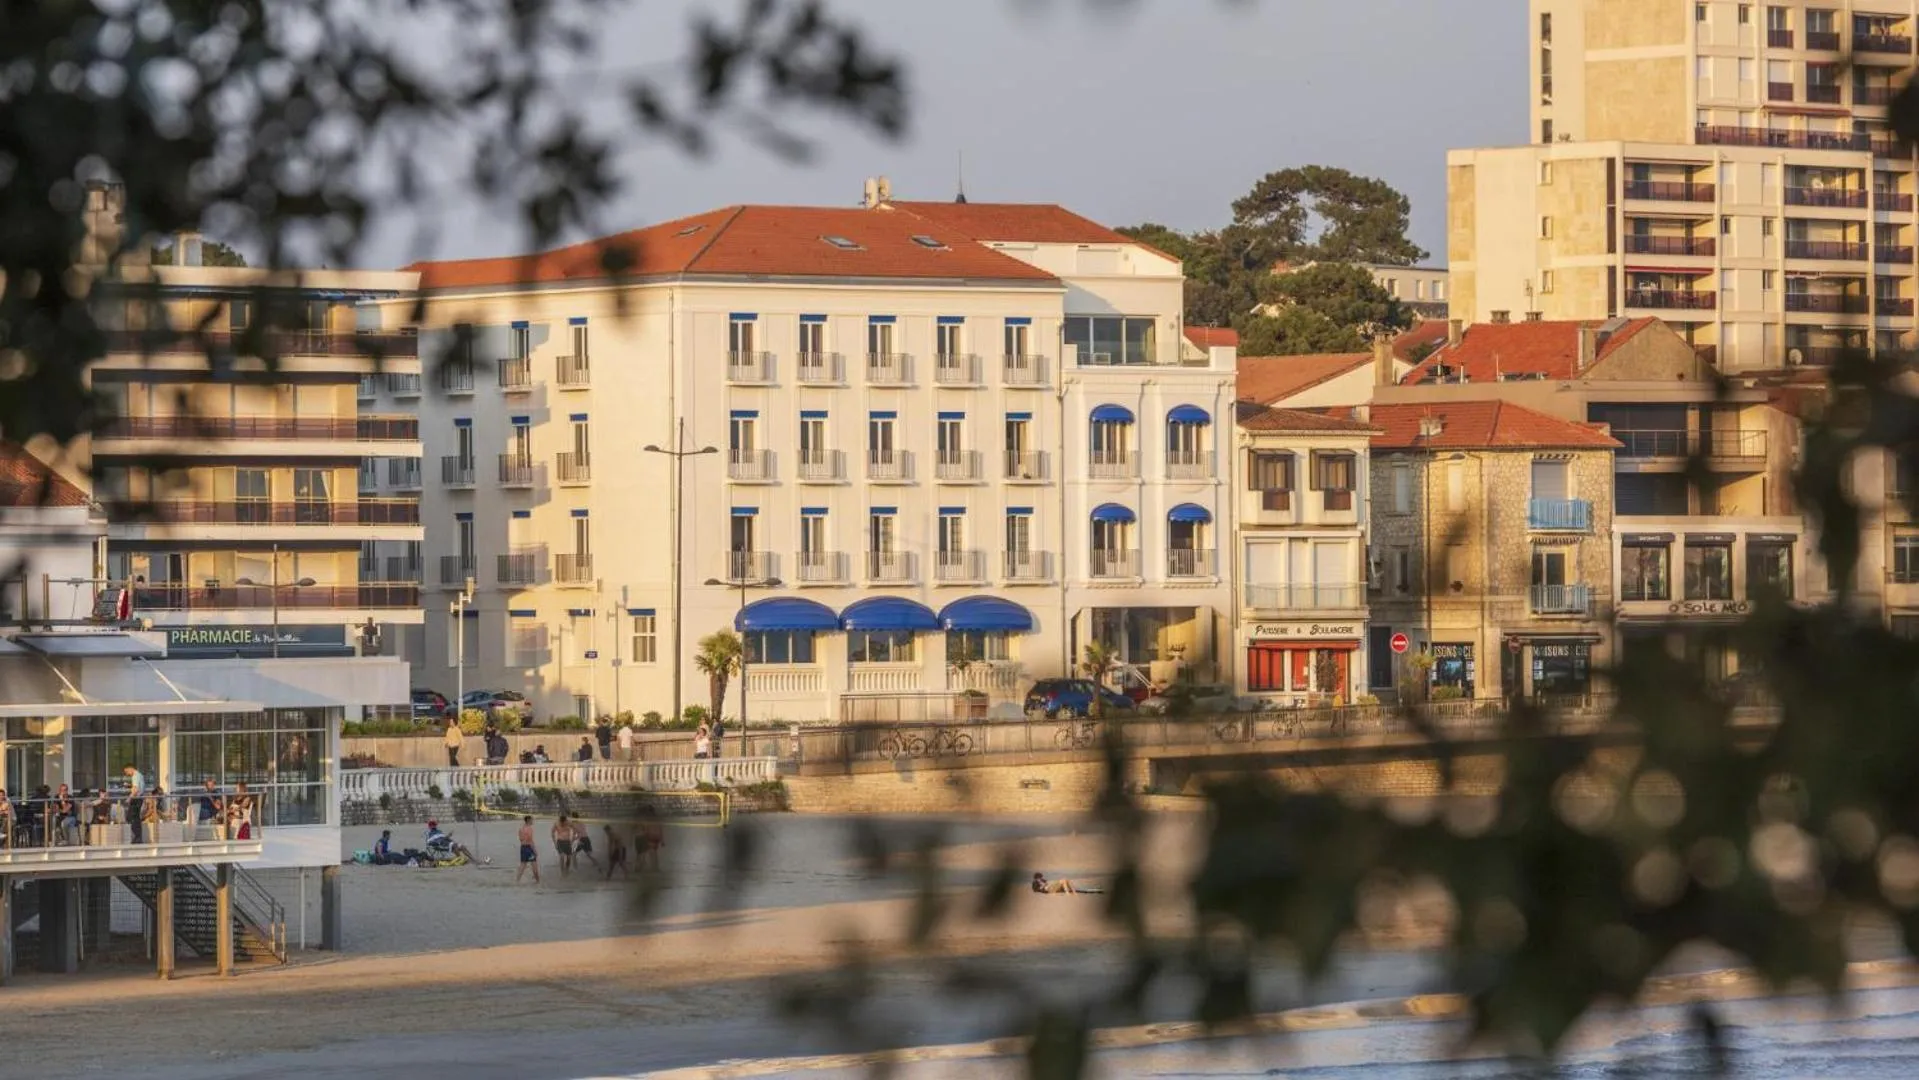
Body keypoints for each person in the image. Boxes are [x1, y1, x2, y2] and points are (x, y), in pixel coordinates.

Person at [636, 806, 665, 872]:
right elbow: (660, 829)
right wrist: (662, 839)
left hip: (650, 837)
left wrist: (643, 834)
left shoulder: (648, 818)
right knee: (653, 853)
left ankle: (648, 867)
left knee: (646, 853)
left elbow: (647, 828)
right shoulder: (656, 818)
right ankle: (655, 868)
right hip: (655, 837)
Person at [122, 765, 146, 844]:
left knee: (131, 818)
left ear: (130, 768)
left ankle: (137, 837)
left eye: (127, 772)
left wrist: (129, 798)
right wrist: (129, 786)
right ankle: (138, 837)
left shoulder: (135, 776)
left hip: (136, 799)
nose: (127, 774)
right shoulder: (140, 775)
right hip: (139, 798)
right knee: (135, 818)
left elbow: (135, 790)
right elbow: (138, 787)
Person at [515, 815, 540, 884]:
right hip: (528, 848)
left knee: (522, 865)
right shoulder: (529, 829)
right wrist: (535, 851)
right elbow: (530, 841)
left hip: (522, 848)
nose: (533, 821)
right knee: (534, 865)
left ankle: (517, 881)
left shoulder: (521, 829)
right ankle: (538, 882)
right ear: (528, 820)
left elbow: (521, 839)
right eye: (532, 820)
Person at [1031, 872, 1100, 895]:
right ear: (1036, 878)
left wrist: (1045, 883)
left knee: (1065, 880)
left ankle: (1075, 891)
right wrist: (1042, 886)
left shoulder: (1043, 880)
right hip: (1048, 890)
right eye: (1040, 877)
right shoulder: (1035, 883)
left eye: (1041, 877)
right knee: (1063, 880)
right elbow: (1035, 890)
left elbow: (1048, 883)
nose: (1041, 878)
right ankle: (1069, 893)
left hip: (1051, 887)